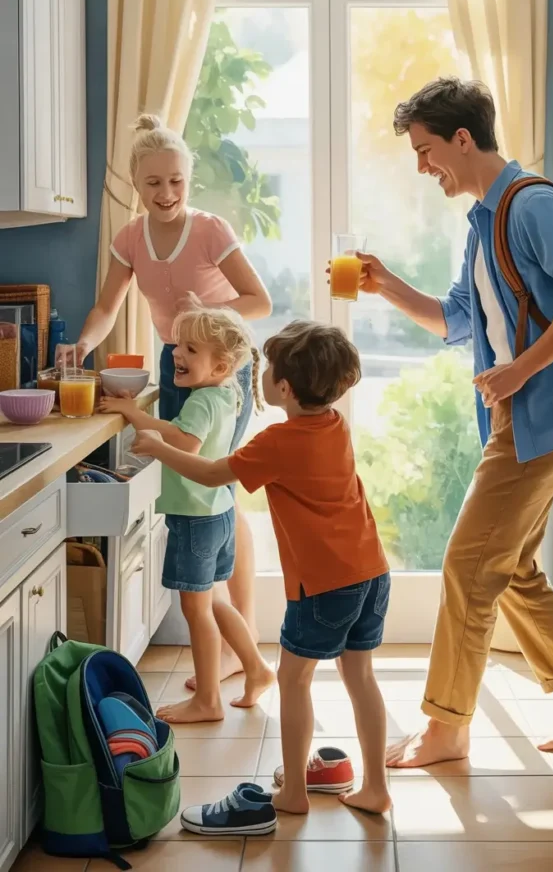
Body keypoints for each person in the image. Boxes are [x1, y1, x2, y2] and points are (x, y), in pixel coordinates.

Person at [354, 77, 553, 769]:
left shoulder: (528, 204)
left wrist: (522, 369)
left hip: (545, 409)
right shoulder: (485, 221)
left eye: (425, 151)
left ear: (462, 139)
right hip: (518, 411)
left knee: (468, 564)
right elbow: (454, 320)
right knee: (509, 566)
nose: (421, 167)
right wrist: (384, 284)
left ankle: (444, 726)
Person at [130, 320, 392, 817]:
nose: (263, 375)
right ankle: (375, 787)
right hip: (370, 571)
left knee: (294, 681)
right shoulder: (335, 424)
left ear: (285, 389)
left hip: (323, 585)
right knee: (362, 680)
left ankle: (293, 791)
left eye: (269, 369)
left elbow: (211, 473)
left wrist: (159, 445)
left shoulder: (277, 442)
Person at [64, 114, 271, 690]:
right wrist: (85, 343)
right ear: (135, 181)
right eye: (154, 183)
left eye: (176, 181)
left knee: (217, 482)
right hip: (176, 360)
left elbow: (258, 300)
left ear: (189, 179)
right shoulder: (130, 238)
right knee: (203, 483)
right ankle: (237, 648)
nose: (167, 193)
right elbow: (107, 306)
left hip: (224, 364)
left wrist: (207, 321)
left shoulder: (209, 230)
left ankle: (240, 645)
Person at [101, 306, 274, 721]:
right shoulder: (225, 391)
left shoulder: (201, 401)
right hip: (218, 513)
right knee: (213, 603)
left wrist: (140, 424)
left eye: (190, 348)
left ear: (220, 364)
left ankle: (208, 701)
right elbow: (181, 430)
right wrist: (135, 412)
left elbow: (184, 441)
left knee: (196, 611)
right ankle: (257, 668)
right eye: (178, 344)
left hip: (195, 519)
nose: (177, 353)